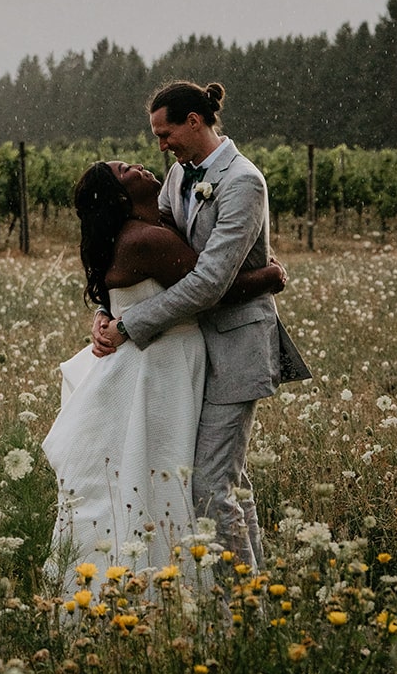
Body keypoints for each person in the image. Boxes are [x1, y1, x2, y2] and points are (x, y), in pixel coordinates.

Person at [93, 80, 310, 571]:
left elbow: (210, 281)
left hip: (237, 349)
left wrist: (131, 325)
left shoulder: (243, 182)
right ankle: (257, 590)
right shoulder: (177, 176)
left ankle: (242, 605)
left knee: (211, 485)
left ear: (195, 121)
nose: (161, 145)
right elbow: (159, 255)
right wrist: (106, 312)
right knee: (229, 480)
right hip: (191, 355)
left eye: (165, 133)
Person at [42, 157, 284, 590]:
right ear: (120, 195)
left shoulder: (134, 232)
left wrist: (105, 315)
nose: (139, 165)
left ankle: (201, 580)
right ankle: (196, 585)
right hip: (161, 367)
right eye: (125, 170)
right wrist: (268, 275)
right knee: (171, 473)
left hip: (152, 361)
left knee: (166, 474)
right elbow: (213, 289)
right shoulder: (147, 240)